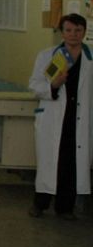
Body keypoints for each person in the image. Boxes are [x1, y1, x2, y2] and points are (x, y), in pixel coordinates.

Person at [29, 13, 93, 219]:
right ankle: (40, 204)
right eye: (68, 30)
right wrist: (53, 85)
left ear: (84, 32)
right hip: (54, 117)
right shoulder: (49, 56)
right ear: (61, 32)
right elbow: (35, 86)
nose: (73, 35)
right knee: (49, 162)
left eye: (78, 30)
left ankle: (65, 208)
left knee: (71, 163)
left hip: (79, 119)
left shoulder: (90, 57)